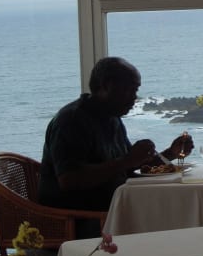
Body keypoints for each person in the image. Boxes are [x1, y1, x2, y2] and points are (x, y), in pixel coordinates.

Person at [39, 56, 193, 235]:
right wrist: (128, 160)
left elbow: (127, 167)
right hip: (78, 220)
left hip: (113, 208)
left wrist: (170, 154)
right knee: (175, 217)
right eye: (130, 90)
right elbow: (70, 180)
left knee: (178, 208)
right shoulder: (72, 121)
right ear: (106, 86)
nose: (135, 97)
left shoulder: (111, 118)